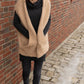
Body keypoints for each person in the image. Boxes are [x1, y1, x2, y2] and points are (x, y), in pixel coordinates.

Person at [13, 0, 51, 84]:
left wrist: (41, 34)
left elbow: (48, 19)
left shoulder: (46, 3)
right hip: (26, 45)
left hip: (40, 45)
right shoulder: (20, 3)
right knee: (26, 72)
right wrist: (29, 36)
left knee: (37, 73)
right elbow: (16, 22)